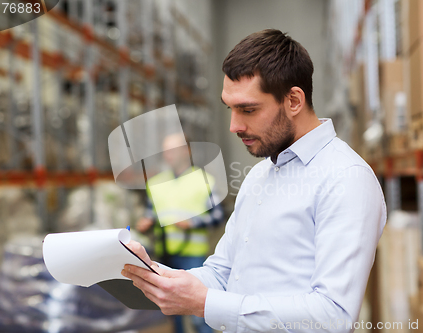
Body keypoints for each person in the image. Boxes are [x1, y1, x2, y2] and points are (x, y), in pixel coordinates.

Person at [123, 29, 386, 333]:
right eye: (230, 109)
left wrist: (205, 303)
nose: (235, 126)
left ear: (294, 100)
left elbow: (332, 316)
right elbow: (222, 273)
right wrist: (156, 276)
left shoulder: (346, 179)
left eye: (248, 110)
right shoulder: (260, 175)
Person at [136, 133, 224, 333]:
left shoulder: (204, 180)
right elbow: (152, 213)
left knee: (199, 311)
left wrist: (192, 223)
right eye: (166, 151)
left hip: (193, 256)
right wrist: (146, 223)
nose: (168, 155)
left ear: (186, 151)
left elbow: (218, 216)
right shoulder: (156, 183)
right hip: (165, 255)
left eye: (173, 150)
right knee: (170, 309)